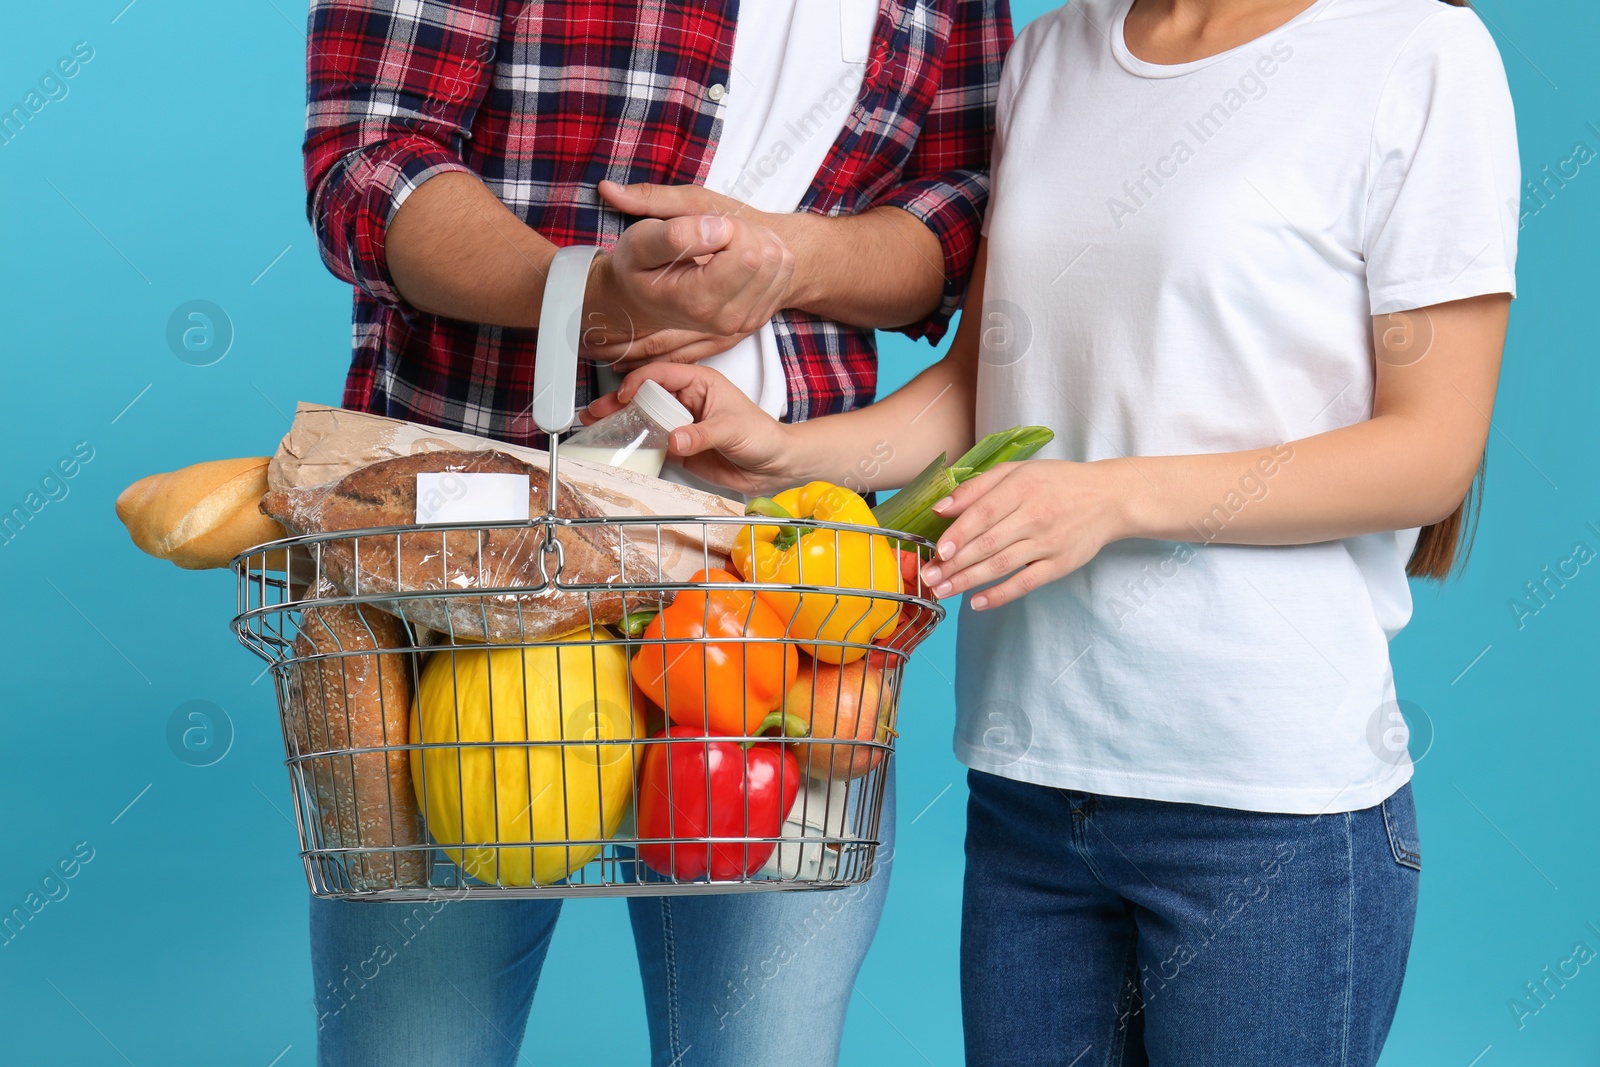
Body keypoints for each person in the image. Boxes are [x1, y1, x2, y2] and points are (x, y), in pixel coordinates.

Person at [594, 0, 1519, 1061]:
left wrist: (1110, 495)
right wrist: (783, 451)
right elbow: (977, 391)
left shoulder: (1413, 53)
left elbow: (1430, 452)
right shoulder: (1053, 54)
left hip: (1264, 810)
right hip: (1034, 790)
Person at [300, 1, 1010, 1065]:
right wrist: (583, 297)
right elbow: (366, 164)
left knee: (763, 1046)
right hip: (478, 549)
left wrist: (791, 256)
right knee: (417, 1047)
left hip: (782, 570)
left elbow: (953, 215)